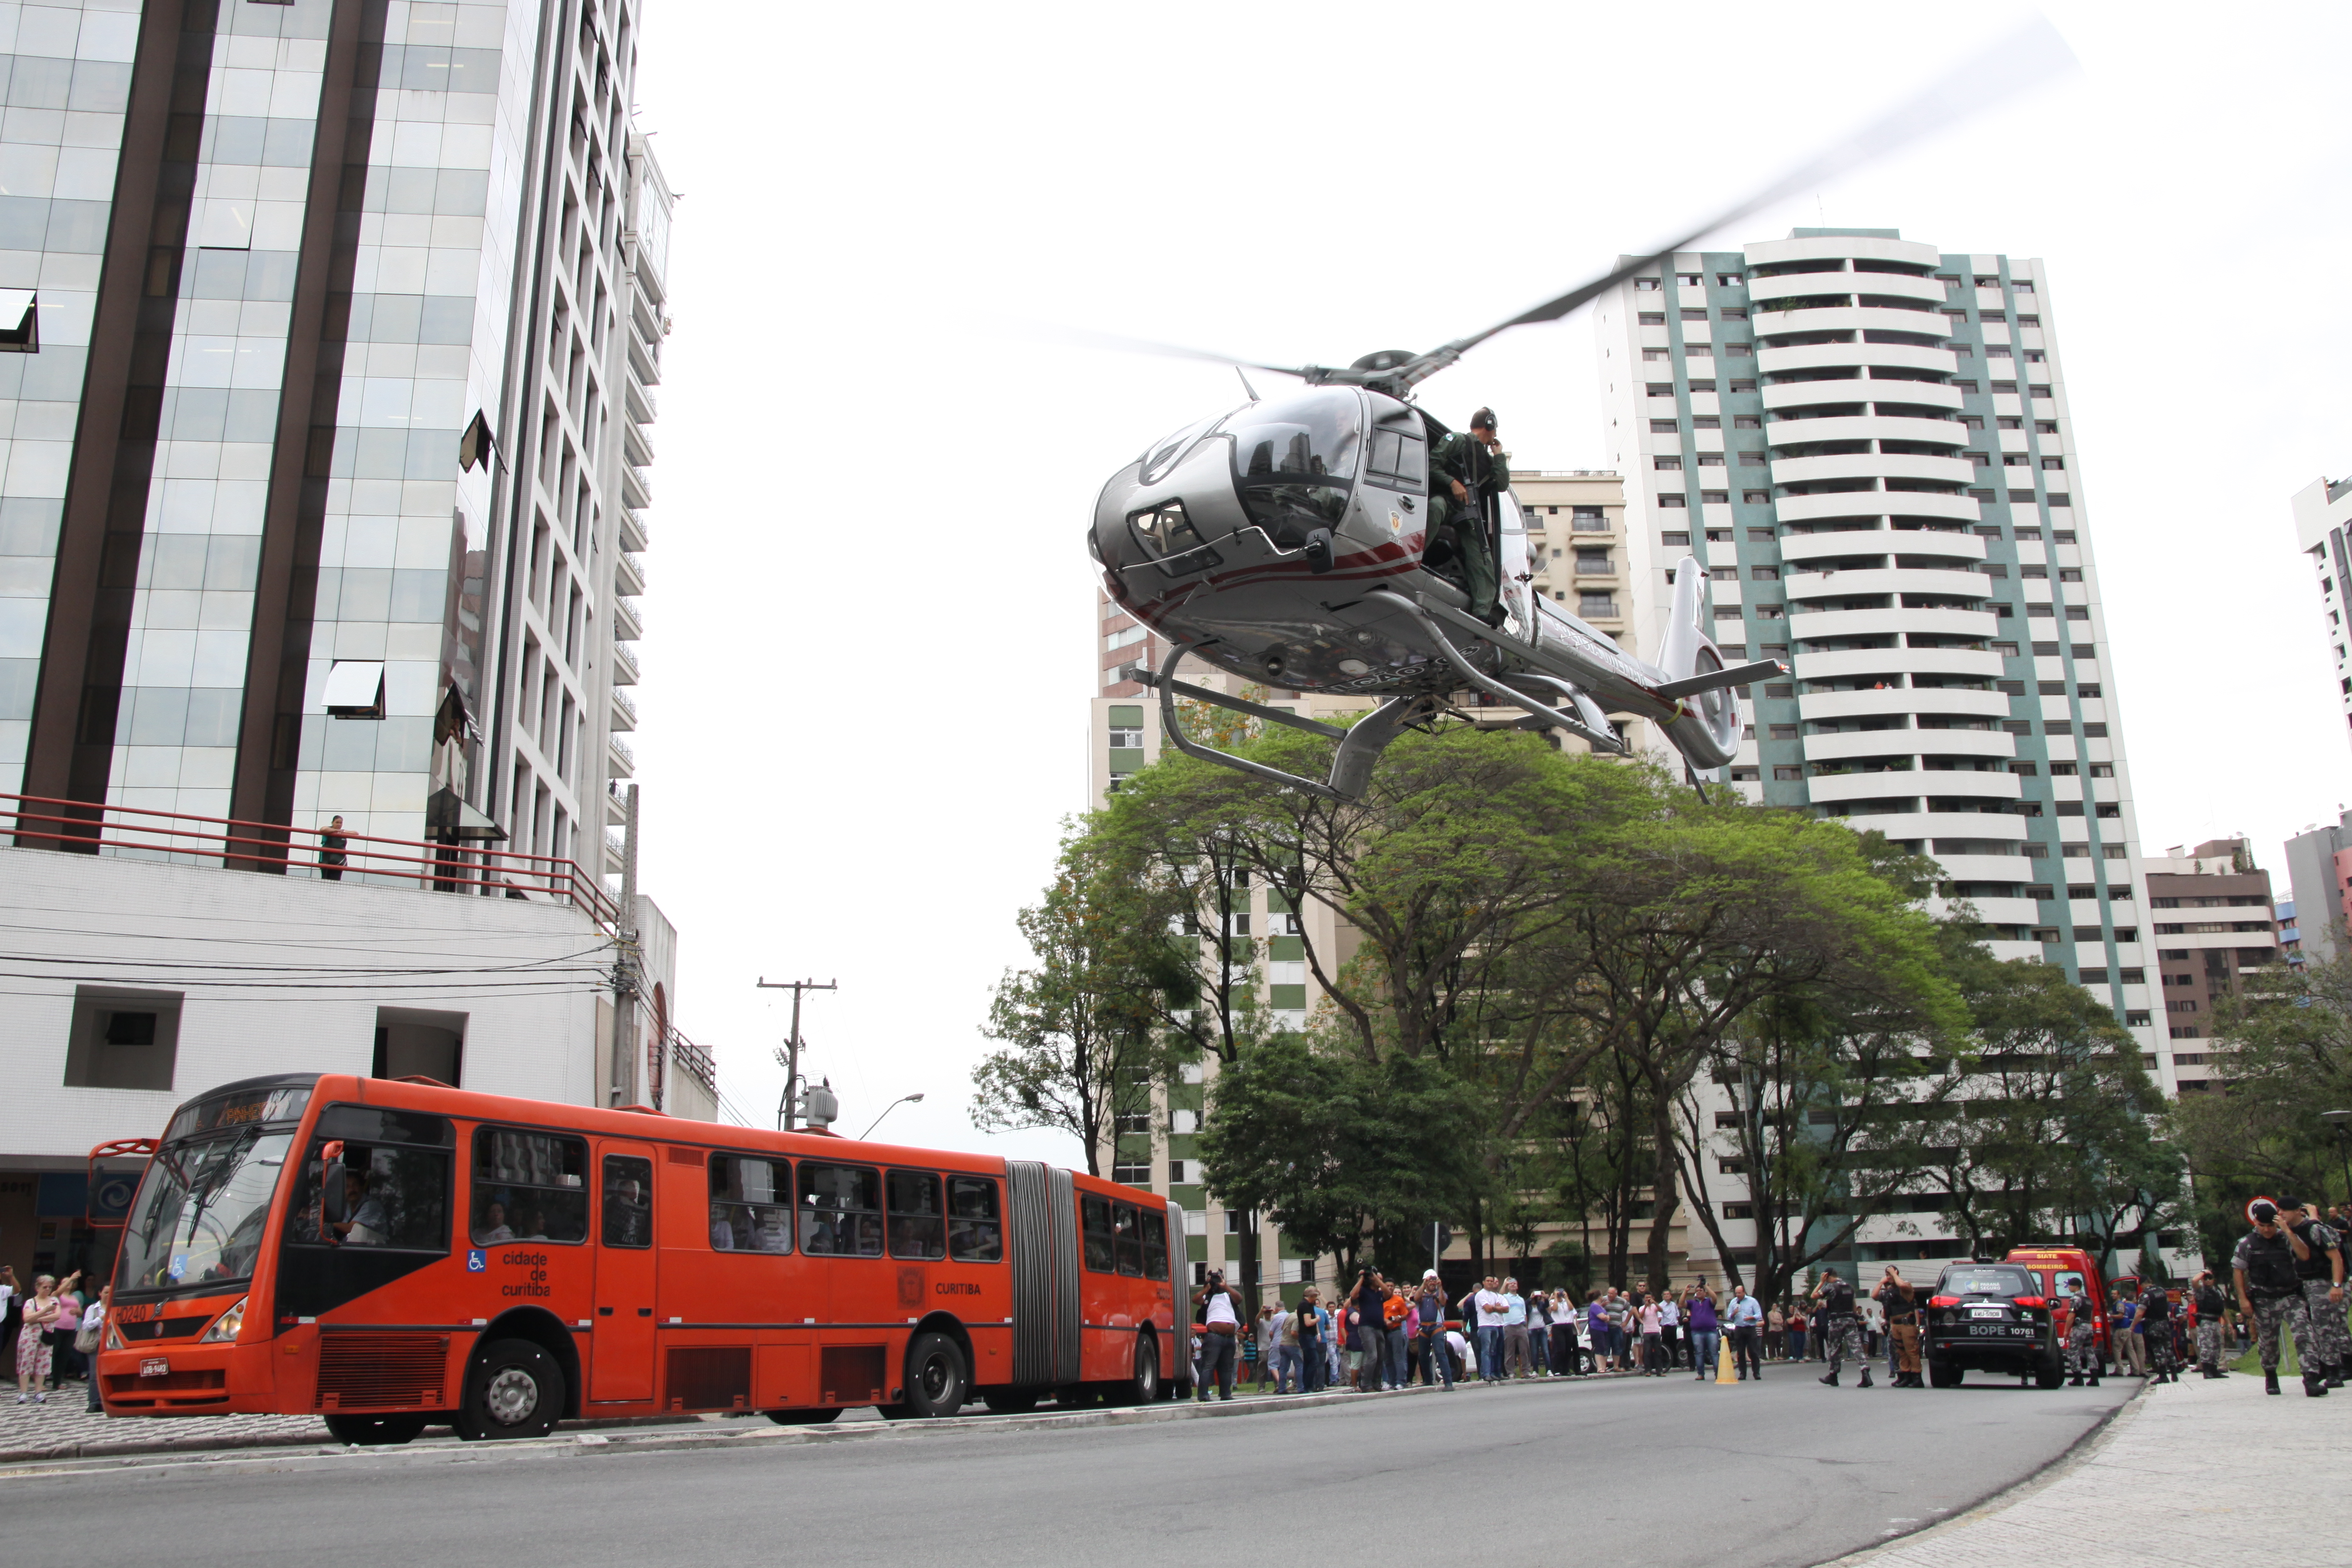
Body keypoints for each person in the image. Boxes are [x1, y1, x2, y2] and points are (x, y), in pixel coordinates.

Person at [2233, 1198, 2327, 1396]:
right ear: (2255, 1223)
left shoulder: (2285, 1238)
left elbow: (2304, 1255)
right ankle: (2271, 1374)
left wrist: (2287, 1231)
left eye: (2271, 1226)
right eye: (2262, 1226)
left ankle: (2310, 1378)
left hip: (2291, 1296)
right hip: (2264, 1298)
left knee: (2305, 1335)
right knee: (2268, 1343)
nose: (2267, 1230)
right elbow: (2238, 1271)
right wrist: (2243, 1300)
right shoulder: (2247, 1243)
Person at [1426, 407, 1511, 626]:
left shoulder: (1488, 459)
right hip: (1444, 498)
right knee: (1434, 508)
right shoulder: (1456, 440)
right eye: (1494, 429)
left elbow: (1501, 484)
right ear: (1490, 425)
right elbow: (1432, 464)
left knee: (1481, 552)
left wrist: (1499, 455)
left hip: (1467, 510)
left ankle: (1482, 609)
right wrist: (1452, 483)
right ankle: (1415, 557)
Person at [2280, 1197, 2348, 1388]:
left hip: (2321, 1281)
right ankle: (2321, 1367)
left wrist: (2336, 1285)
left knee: (2324, 1326)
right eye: (2279, 1210)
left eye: (2285, 1210)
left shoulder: (2314, 1229)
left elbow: (2336, 1257)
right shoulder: (2287, 1233)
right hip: (2302, 1284)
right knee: (2310, 1329)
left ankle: (2334, 1370)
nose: (2282, 1214)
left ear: (2297, 1211)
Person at [1813, 1271, 1871, 1388]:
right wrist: (1855, 1317)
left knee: (1834, 1348)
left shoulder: (1831, 1286)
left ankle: (1833, 1375)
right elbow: (1854, 1304)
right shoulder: (1849, 1286)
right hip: (1850, 1319)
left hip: (1837, 1320)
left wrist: (1821, 1282)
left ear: (1827, 1276)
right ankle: (1865, 1372)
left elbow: (1814, 1296)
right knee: (1857, 1346)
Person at [1193, 1270, 1243, 1401]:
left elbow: (1239, 1299)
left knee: (1227, 1367)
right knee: (1208, 1366)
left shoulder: (1228, 1295)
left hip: (1230, 1337)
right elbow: (1195, 1300)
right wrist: (1207, 1288)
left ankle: (1226, 1393)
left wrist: (1225, 1286)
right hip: (1214, 1336)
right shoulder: (1208, 1297)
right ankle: (1203, 1395)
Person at [1877, 1267, 1924, 1388]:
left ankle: (1917, 1377)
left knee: (1912, 1352)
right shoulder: (1890, 1290)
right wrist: (1882, 1282)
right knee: (1901, 1352)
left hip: (1907, 1324)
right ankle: (1906, 1376)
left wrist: (1894, 1273)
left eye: (1890, 1273)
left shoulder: (1906, 1286)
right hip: (1895, 1325)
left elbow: (1902, 1285)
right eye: (1886, 1274)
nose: (1888, 1276)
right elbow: (1874, 1296)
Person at [16, 1274, 59, 1404]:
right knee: (26, 1363)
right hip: (30, 1337)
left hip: (46, 1336)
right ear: (37, 1288)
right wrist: (45, 1311)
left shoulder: (54, 1301)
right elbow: (27, 1319)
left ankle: (38, 1392)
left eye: (50, 1287)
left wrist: (38, 1318)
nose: (47, 1290)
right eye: (45, 1287)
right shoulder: (31, 1302)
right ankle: (23, 1393)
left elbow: (57, 1316)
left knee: (43, 1364)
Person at [1412, 1272, 1454, 1390]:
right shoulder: (1422, 1294)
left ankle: (1448, 1382)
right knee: (1423, 1355)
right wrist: (1424, 1284)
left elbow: (1443, 1302)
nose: (1432, 1283)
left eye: (1434, 1280)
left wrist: (1440, 1287)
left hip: (1437, 1328)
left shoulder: (1440, 1293)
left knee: (1440, 1353)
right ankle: (1428, 1380)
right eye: (1430, 1281)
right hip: (1423, 1328)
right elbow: (1416, 1298)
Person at [2191, 1270, 2231, 1379]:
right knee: (2207, 1347)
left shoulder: (2217, 1292)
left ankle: (2215, 1370)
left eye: (2210, 1278)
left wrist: (2228, 1323)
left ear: (2214, 1280)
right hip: (2206, 1321)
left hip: (2215, 1321)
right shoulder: (2201, 1291)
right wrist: (2204, 1272)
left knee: (2216, 1346)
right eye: (2206, 1279)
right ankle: (2207, 1371)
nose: (2208, 1281)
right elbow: (2195, 1280)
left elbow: (2222, 1309)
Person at [2061, 1279, 2102, 1387]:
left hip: (2079, 1328)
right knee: (2090, 1351)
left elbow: (2071, 1315)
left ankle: (2078, 1378)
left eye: (2070, 1286)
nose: (2069, 1287)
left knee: (2072, 1352)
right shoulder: (2088, 1299)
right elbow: (2091, 1315)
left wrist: (2066, 1331)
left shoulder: (2076, 1299)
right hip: (2088, 1327)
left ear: (2076, 1286)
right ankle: (2094, 1378)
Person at [2137, 1279, 2177, 1384]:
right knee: (2169, 1348)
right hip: (2165, 1323)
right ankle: (2174, 1374)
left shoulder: (2145, 1295)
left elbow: (2139, 1313)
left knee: (2159, 1350)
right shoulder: (2161, 1290)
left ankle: (2163, 1376)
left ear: (2142, 1284)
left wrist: (2133, 1326)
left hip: (2153, 1325)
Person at [1471, 1275, 1510, 1383]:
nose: (1490, 1283)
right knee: (1486, 1350)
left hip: (1495, 1325)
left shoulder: (1495, 1295)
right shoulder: (1480, 1295)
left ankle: (1494, 1372)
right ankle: (1486, 1373)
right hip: (1485, 1326)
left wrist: (1495, 1307)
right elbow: (1488, 1309)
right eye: (1488, 1281)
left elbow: (1506, 1309)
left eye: (1491, 1281)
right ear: (1484, 1282)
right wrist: (1497, 1307)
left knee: (1494, 1351)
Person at [80, 1284, 110, 1413]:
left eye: (110, 1292)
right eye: (106, 1292)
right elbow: (86, 1326)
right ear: (100, 1293)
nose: (108, 1295)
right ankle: (94, 1402)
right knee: (94, 1374)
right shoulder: (93, 1308)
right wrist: (100, 1319)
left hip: (110, 1343)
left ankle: (107, 1400)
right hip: (96, 1343)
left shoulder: (114, 1307)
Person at [1727, 1284, 1764, 1379]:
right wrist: (1733, 1314)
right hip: (1739, 1328)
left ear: (1744, 1292)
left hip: (1750, 1328)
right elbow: (1729, 1317)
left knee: (1753, 1351)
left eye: (1740, 1293)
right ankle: (1742, 1373)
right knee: (1741, 1352)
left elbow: (1759, 1315)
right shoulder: (1733, 1302)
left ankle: (1756, 1373)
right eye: (1736, 1293)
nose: (1738, 1295)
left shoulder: (1752, 1301)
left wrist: (1752, 1317)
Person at [1687, 1279, 1721, 1381]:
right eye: (1697, 1291)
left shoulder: (1709, 1302)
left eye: (1700, 1291)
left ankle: (1718, 1373)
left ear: (1705, 1292)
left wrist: (1707, 1287)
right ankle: (1701, 1373)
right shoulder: (1692, 1303)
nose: (1698, 1292)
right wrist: (1686, 1291)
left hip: (1711, 1331)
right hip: (1697, 1332)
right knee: (1699, 1353)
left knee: (1714, 1352)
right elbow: (1681, 1304)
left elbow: (1715, 1298)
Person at [1500, 1277, 1533, 1380]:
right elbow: (1499, 1297)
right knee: (1510, 1351)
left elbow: (1524, 1314)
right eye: (1511, 1284)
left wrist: (1526, 1327)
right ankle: (1511, 1373)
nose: (1513, 1285)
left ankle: (1526, 1371)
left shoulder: (1521, 1299)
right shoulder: (1505, 1297)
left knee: (1525, 1350)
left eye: (1515, 1283)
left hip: (1521, 1326)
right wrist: (1505, 1284)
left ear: (1517, 1286)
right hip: (1509, 1327)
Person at [1294, 1288, 1325, 1393]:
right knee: (1314, 1361)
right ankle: (1308, 1385)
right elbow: (1308, 1322)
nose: (1315, 1300)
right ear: (1311, 1296)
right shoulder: (1305, 1305)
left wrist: (1317, 1333)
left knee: (1308, 1361)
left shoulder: (1308, 1305)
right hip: (1306, 1336)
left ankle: (1305, 1386)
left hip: (1309, 1335)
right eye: (1315, 1297)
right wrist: (1317, 1319)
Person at [318, 815, 349, 881]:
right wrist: (335, 831)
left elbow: (356, 833)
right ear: (332, 823)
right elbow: (323, 829)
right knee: (325, 880)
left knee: (336, 881)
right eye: (337, 822)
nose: (339, 824)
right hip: (327, 860)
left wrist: (343, 831)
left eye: (341, 823)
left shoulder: (343, 833)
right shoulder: (328, 830)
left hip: (339, 861)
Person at [1786, 1300, 1808, 1365]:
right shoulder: (1792, 1316)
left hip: (1803, 1331)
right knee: (1798, 1343)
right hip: (1796, 1331)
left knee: (1802, 1343)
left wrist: (1799, 1315)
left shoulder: (1801, 1315)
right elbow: (1791, 1322)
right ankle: (1798, 1357)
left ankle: (1802, 1356)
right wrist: (1795, 1315)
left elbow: (1805, 1319)